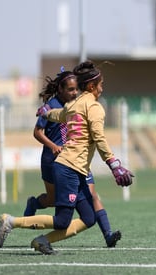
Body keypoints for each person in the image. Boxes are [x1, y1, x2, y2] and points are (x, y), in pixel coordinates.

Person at [0, 61, 134, 254]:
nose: (102, 89)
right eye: (101, 85)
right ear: (92, 86)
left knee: (88, 217)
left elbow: (60, 115)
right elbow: (99, 138)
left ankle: (42, 241)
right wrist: (114, 164)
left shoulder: (75, 104)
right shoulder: (94, 107)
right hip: (69, 168)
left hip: (73, 168)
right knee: (62, 220)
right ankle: (11, 222)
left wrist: (47, 112)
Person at [22, 67, 122, 247]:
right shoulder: (54, 104)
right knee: (53, 204)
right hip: (55, 160)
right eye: (70, 89)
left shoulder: (77, 103)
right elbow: (38, 131)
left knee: (92, 195)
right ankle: (29, 208)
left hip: (78, 160)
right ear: (60, 89)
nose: (74, 92)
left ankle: (107, 234)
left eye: (76, 89)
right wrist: (53, 145)